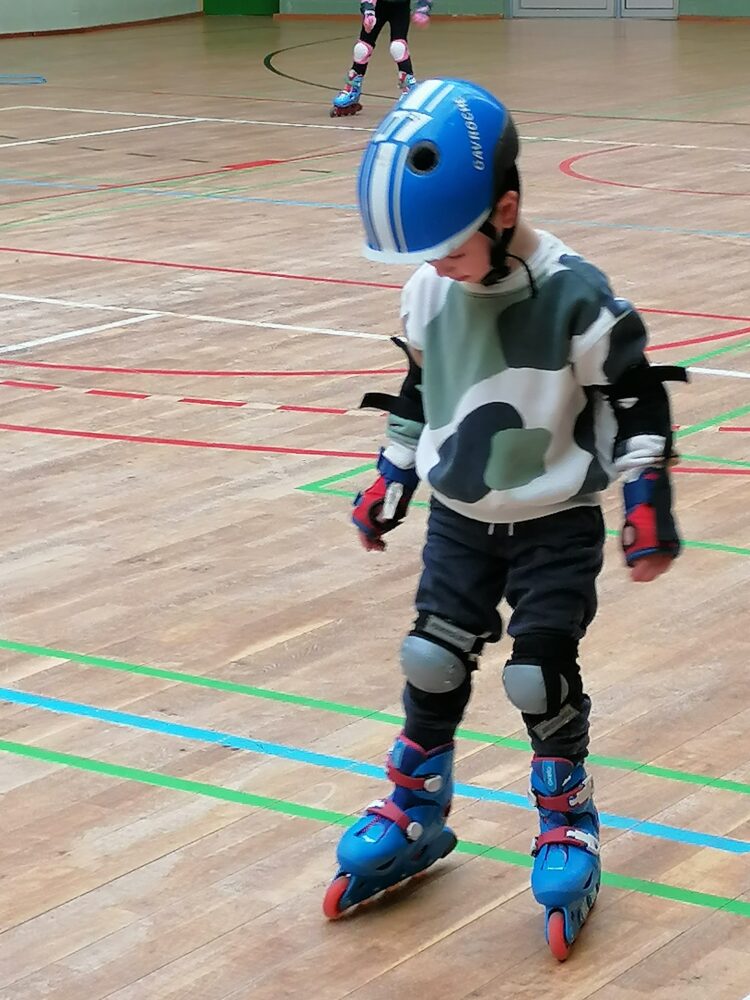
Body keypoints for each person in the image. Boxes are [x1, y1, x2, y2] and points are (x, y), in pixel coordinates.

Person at [322, 78, 687, 959]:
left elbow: (636, 397)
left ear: (506, 211)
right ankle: (416, 805)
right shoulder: (430, 290)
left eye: (448, 248)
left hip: (556, 520)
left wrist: (646, 495)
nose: (435, 267)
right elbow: (420, 387)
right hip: (459, 518)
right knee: (431, 658)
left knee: (537, 674)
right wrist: (390, 476)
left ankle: (568, 820)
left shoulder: (575, 294)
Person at [330, 0, 433, 117]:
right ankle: (352, 88)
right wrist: (368, 10)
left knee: (398, 47)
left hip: (400, 8)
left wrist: (423, 6)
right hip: (378, 7)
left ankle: (409, 90)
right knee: (361, 49)